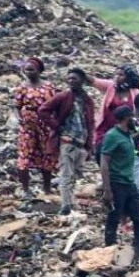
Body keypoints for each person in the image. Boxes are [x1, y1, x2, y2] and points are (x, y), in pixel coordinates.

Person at [37, 68, 96, 215]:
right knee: (66, 174)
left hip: (81, 142)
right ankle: (66, 206)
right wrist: (58, 127)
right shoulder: (63, 96)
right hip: (67, 140)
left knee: (75, 174)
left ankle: (70, 202)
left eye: (74, 79)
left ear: (82, 80)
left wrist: (90, 144)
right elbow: (43, 110)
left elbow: (90, 122)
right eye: (69, 78)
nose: (71, 81)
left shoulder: (87, 99)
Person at [101, 105, 139, 260]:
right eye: (132, 117)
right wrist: (107, 189)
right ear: (125, 118)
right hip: (117, 183)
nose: (134, 119)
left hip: (129, 183)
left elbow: (129, 141)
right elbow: (104, 161)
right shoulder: (112, 136)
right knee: (114, 218)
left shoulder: (126, 134)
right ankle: (110, 253)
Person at [14, 57, 58, 198]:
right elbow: (17, 106)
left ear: (39, 71)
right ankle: (26, 189)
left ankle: (47, 188)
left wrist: (54, 123)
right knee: (24, 156)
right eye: (26, 70)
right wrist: (20, 119)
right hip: (28, 127)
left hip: (45, 126)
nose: (28, 72)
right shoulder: (22, 88)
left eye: (31, 69)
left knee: (46, 155)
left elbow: (55, 106)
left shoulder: (48, 87)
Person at [92, 65, 139, 158]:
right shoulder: (110, 86)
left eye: (121, 75)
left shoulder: (135, 92)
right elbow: (94, 81)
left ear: (129, 78)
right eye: (116, 74)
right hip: (104, 131)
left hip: (124, 133)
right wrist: (81, 74)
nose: (117, 77)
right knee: (102, 155)